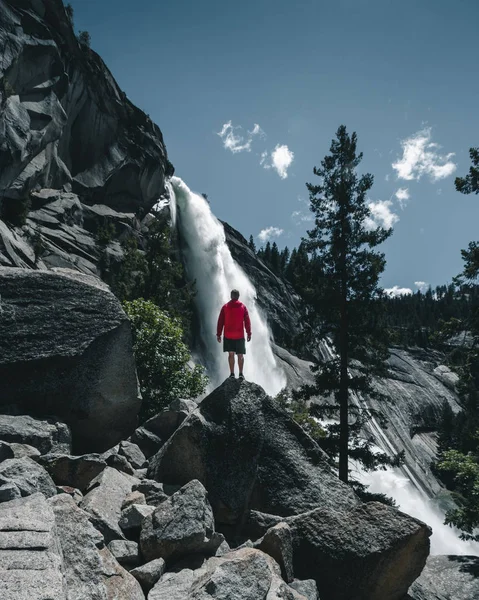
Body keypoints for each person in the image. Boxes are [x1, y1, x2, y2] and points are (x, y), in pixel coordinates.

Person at [216, 289, 252, 380]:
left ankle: (232, 374)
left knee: (231, 354)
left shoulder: (225, 307)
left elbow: (220, 321)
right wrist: (249, 333)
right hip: (239, 335)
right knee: (240, 355)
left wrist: (218, 334)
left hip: (228, 335)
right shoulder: (243, 307)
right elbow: (247, 321)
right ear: (238, 296)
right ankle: (240, 374)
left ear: (231, 296)